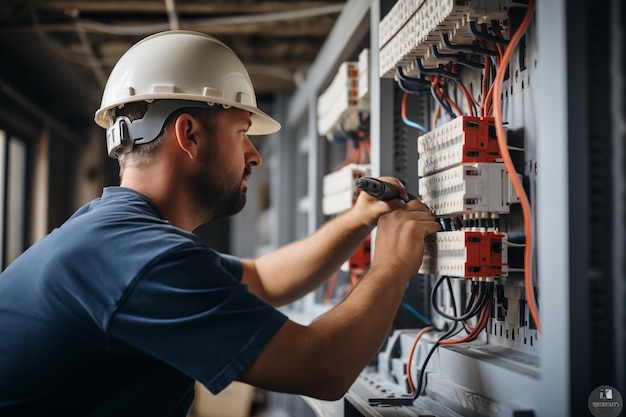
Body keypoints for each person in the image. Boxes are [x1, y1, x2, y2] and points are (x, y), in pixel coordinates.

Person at [0, 30, 441, 416]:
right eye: (241, 132)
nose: (255, 155)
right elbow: (321, 368)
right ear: (188, 135)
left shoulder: (115, 234)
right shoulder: (139, 259)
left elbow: (263, 278)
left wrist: (358, 220)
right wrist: (393, 265)